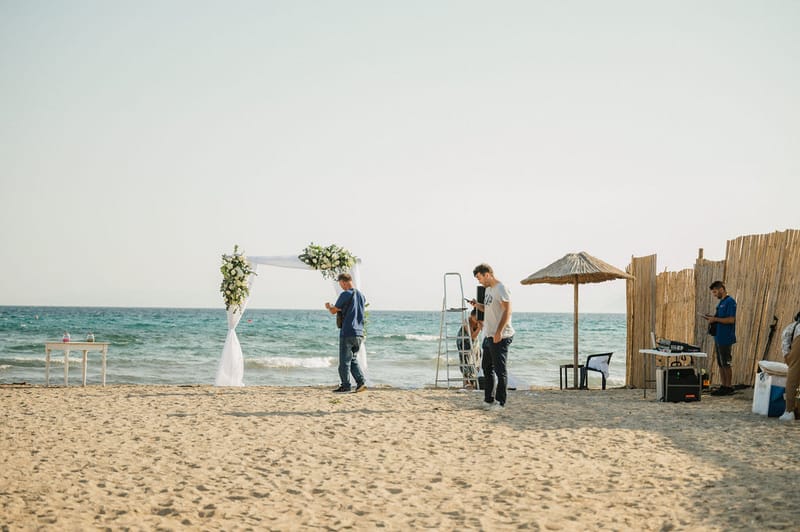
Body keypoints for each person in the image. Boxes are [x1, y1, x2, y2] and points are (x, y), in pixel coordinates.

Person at [469, 263, 514, 409]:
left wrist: (499, 332)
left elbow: (508, 311)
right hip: (488, 335)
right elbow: (487, 308)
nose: (479, 281)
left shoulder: (501, 288)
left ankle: (501, 403)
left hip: (501, 335)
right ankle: (489, 400)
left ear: (487, 274)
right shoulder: (488, 290)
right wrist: (477, 305)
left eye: (479, 278)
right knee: (487, 368)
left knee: (500, 371)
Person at [325, 273, 367, 394]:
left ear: (343, 282)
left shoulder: (345, 294)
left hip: (348, 331)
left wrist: (329, 307)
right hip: (359, 332)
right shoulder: (361, 296)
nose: (341, 286)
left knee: (344, 362)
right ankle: (361, 383)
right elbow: (352, 309)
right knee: (352, 359)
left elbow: (334, 311)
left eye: (340, 284)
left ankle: (345, 385)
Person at [703, 280, 737, 396]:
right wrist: (711, 318)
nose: (714, 294)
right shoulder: (721, 302)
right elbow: (719, 318)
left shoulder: (730, 302)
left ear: (721, 289)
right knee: (720, 363)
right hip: (718, 336)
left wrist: (715, 319)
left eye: (715, 292)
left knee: (726, 363)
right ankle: (723, 385)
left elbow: (731, 320)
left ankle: (728, 386)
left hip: (726, 336)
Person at [778, 311, 800, 421]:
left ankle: (789, 411)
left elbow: (785, 349)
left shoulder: (789, 328)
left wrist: (789, 361)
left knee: (792, 378)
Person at [456, 309, 482, 387]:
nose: (477, 320)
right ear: (471, 316)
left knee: (477, 358)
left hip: (474, 341)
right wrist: (479, 328)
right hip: (464, 340)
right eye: (475, 318)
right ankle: (466, 382)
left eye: (478, 318)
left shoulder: (480, 320)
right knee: (465, 360)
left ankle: (473, 380)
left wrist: (480, 326)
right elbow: (472, 336)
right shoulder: (466, 321)